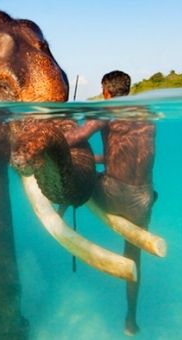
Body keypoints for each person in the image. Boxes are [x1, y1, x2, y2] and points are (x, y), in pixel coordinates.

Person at [64, 70, 157, 335]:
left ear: (106, 90)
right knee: (134, 257)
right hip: (144, 200)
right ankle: (131, 320)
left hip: (115, 195)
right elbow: (122, 153)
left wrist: (57, 137)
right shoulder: (147, 115)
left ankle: (64, 202)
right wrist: (95, 159)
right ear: (127, 89)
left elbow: (75, 139)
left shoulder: (105, 110)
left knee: (80, 175)